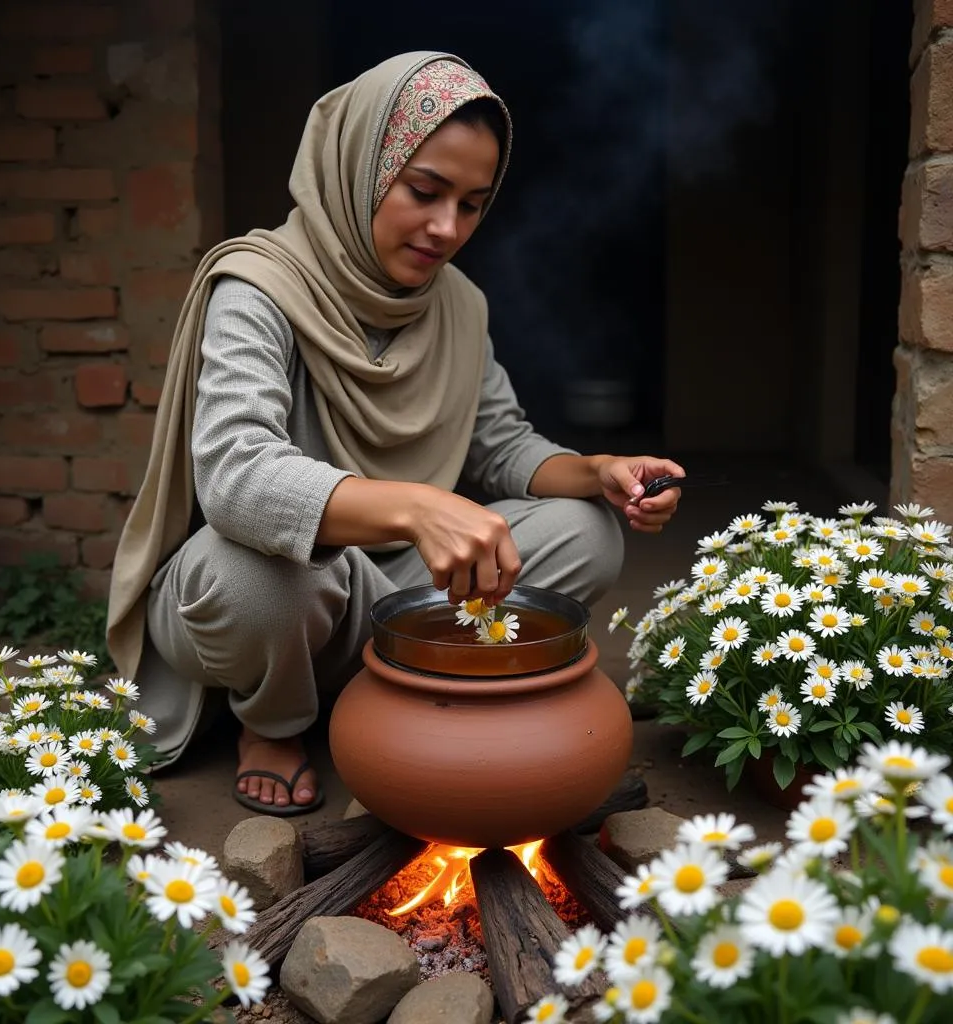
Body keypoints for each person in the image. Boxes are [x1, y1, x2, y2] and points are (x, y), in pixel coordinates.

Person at [107, 51, 684, 817]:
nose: (447, 228)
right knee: (256, 575)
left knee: (587, 531)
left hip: (397, 586)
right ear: (361, 166)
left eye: (473, 204)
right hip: (278, 587)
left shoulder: (457, 306)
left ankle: (389, 677)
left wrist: (601, 470)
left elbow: (501, 445)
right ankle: (275, 722)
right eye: (424, 191)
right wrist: (418, 507)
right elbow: (234, 477)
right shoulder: (260, 286)